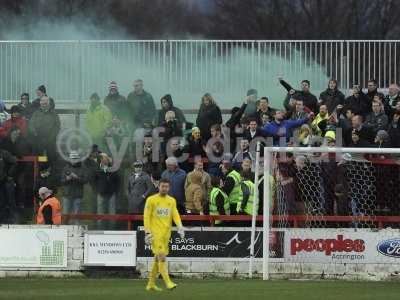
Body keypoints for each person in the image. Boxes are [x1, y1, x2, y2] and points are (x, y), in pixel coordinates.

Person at [144, 178, 184, 291]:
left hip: (166, 234)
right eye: (163, 186)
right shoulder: (151, 200)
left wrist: (180, 226)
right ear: (159, 186)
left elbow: (175, 213)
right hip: (155, 234)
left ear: (169, 187)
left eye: (167, 187)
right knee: (162, 256)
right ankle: (168, 282)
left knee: (157, 258)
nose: (165, 188)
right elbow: (146, 216)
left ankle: (151, 284)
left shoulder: (171, 200)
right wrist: (147, 231)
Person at [29, 95, 60, 164]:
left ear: (48, 103)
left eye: (45, 102)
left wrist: (52, 136)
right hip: (38, 139)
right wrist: (34, 132)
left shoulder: (54, 114)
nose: (44, 104)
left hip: (50, 140)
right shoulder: (36, 113)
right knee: (41, 157)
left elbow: (57, 126)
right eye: (42, 102)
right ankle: (42, 168)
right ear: (40, 103)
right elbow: (31, 124)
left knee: (50, 156)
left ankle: (50, 170)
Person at [94, 153, 120, 229]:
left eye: (107, 158)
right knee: (100, 213)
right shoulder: (97, 169)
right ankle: (100, 229)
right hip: (100, 194)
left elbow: (118, 181)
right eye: (105, 158)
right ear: (101, 160)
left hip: (111, 194)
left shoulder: (113, 169)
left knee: (112, 214)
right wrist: (97, 190)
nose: (107, 159)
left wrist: (115, 191)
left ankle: (112, 229)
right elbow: (93, 181)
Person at [60, 151, 88, 220]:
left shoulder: (82, 168)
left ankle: (77, 229)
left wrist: (77, 178)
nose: (73, 160)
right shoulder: (65, 168)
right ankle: (65, 229)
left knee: (77, 217)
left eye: (75, 159)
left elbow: (85, 180)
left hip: (78, 196)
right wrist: (67, 179)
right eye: (72, 159)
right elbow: (61, 181)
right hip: (67, 195)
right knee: (66, 216)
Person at [0, 149, 17, 224]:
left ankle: (13, 220)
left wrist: (9, 174)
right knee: (1, 201)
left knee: (10, 200)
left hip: (7, 181)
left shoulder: (4, 153)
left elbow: (14, 162)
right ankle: (2, 221)